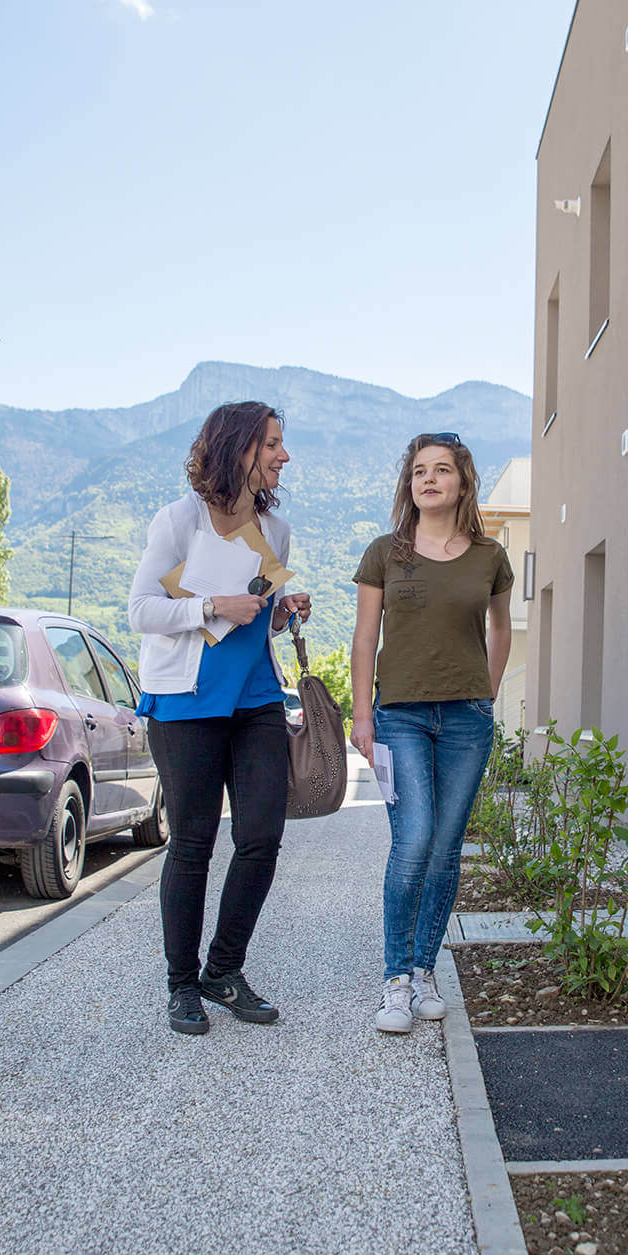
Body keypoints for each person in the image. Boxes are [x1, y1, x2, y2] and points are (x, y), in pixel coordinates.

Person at [128, 401, 310, 1035]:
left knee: (260, 837)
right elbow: (142, 610)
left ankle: (223, 969)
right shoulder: (179, 521)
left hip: (256, 699)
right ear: (238, 449)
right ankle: (182, 985)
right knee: (194, 843)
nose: (283, 456)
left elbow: (261, 612)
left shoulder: (275, 530)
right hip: (185, 703)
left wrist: (283, 608)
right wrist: (212, 605)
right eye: (272, 445)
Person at [350, 432, 513, 1034]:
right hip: (400, 716)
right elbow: (365, 638)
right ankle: (395, 978)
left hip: (467, 719)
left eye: (442, 470)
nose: (429, 479)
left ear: (462, 482)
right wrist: (363, 716)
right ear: (409, 484)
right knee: (413, 840)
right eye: (420, 471)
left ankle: (423, 970)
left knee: (447, 848)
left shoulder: (490, 557)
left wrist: (487, 691)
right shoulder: (385, 554)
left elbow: (502, 630)